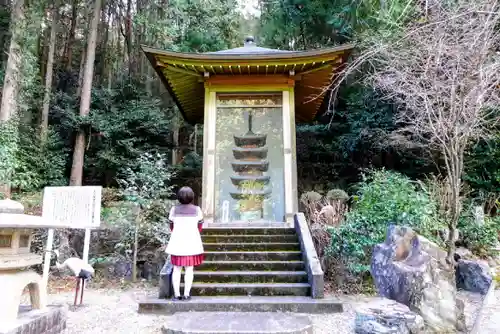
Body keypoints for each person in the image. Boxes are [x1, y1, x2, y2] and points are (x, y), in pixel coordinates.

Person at [165, 186, 204, 301]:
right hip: (192, 243)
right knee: (189, 269)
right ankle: (187, 294)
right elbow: (200, 227)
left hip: (177, 243)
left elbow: (171, 226)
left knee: (176, 269)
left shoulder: (173, 210)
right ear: (192, 197)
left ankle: (177, 295)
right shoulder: (197, 210)